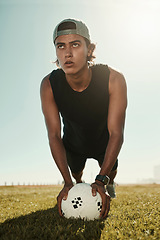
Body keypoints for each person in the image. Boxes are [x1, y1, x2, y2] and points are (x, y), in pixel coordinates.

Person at [40, 18, 127, 219]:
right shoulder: (49, 85)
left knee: (110, 172)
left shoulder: (113, 79)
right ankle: (77, 184)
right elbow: (53, 134)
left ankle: (110, 182)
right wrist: (67, 182)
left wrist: (101, 180)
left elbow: (116, 133)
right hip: (73, 143)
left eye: (75, 45)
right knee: (76, 179)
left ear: (89, 49)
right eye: (61, 46)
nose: (67, 53)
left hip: (104, 141)